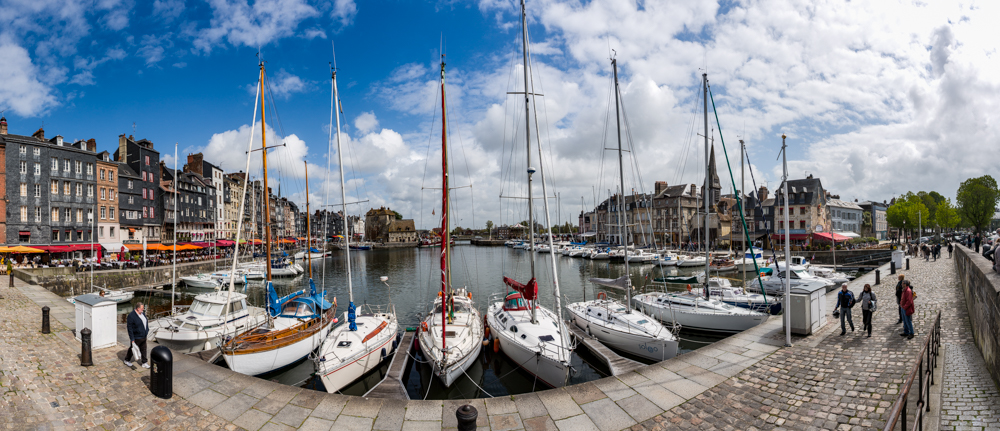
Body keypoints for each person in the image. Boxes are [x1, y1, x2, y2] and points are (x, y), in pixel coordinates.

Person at [124, 302, 150, 368]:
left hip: (143, 336)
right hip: (136, 337)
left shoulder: (142, 314)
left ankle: (144, 362)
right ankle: (127, 360)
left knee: (144, 349)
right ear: (138, 308)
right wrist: (132, 339)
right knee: (133, 349)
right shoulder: (131, 316)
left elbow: (145, 322)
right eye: (142, 308)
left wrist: (147, 330)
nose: (143, 309)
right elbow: (129, 328)